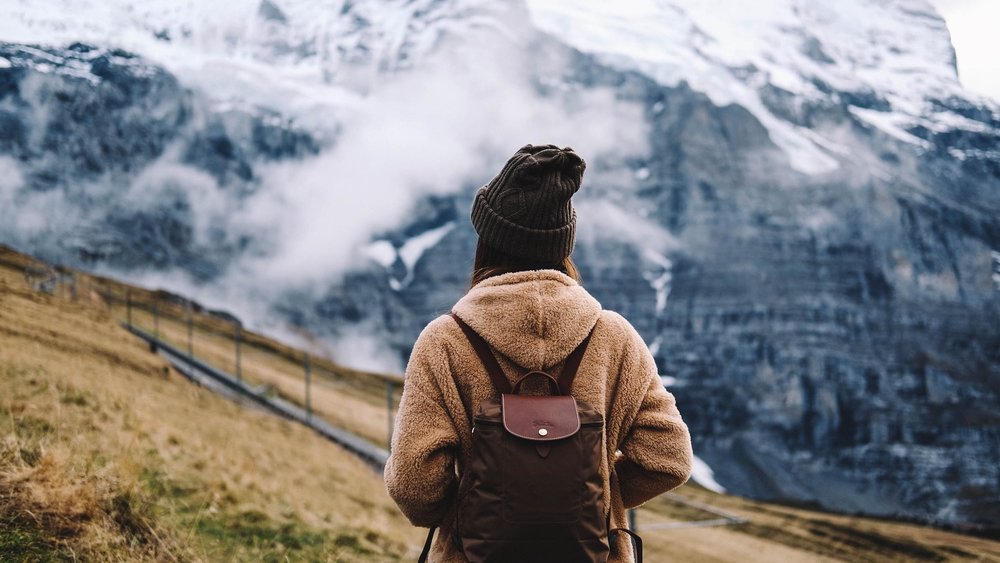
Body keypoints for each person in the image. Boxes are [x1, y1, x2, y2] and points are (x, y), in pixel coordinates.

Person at [384, 144, 693, 562]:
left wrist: (479, 509)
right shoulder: (614, 337)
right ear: (563, 244)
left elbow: (414, 487)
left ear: (487, 241)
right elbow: (669, 459)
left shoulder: (444, 341)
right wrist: (592, 494)